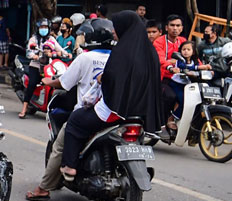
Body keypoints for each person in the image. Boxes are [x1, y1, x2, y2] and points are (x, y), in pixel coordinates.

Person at [60, 12, 163, 180]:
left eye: (116, 27)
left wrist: (103, 78)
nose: (114, 32)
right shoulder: (150, 52)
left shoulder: (123, 50)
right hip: (140, 113)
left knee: (75, 120)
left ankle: (70, 166)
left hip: (117, 110)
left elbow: (112, 77)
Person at [25, 19, 115, 201]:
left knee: (59, 146)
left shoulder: (85, 58)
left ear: (92, 37)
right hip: (115, 112)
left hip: (91, 112)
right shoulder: (117, 57)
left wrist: (49, 82)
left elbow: (65, 82)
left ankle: (43, 189)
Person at [154, 15, 187, 129]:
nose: (175, 28)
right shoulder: (159, 42)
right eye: (172, 25)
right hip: (164, 78)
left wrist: (204, 66)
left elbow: (192, 56)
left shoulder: (183, 41)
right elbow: (161, 59)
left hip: (181, 78)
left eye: (178, 26)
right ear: (166, 28)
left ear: (182, 28)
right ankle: (163, 123)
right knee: (170, 96)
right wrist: (170, 67)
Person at [167, 41, 211, 120]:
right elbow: (185, 68)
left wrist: (208, 70)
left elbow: (198, 68)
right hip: (177, 84)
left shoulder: (194, 61)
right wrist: (199, 68)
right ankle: (172, 118)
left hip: (188, 85)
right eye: (184, 49)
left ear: (193, 52)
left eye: (188, 49)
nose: (186, 51)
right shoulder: (180, 60)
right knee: (184, 100)